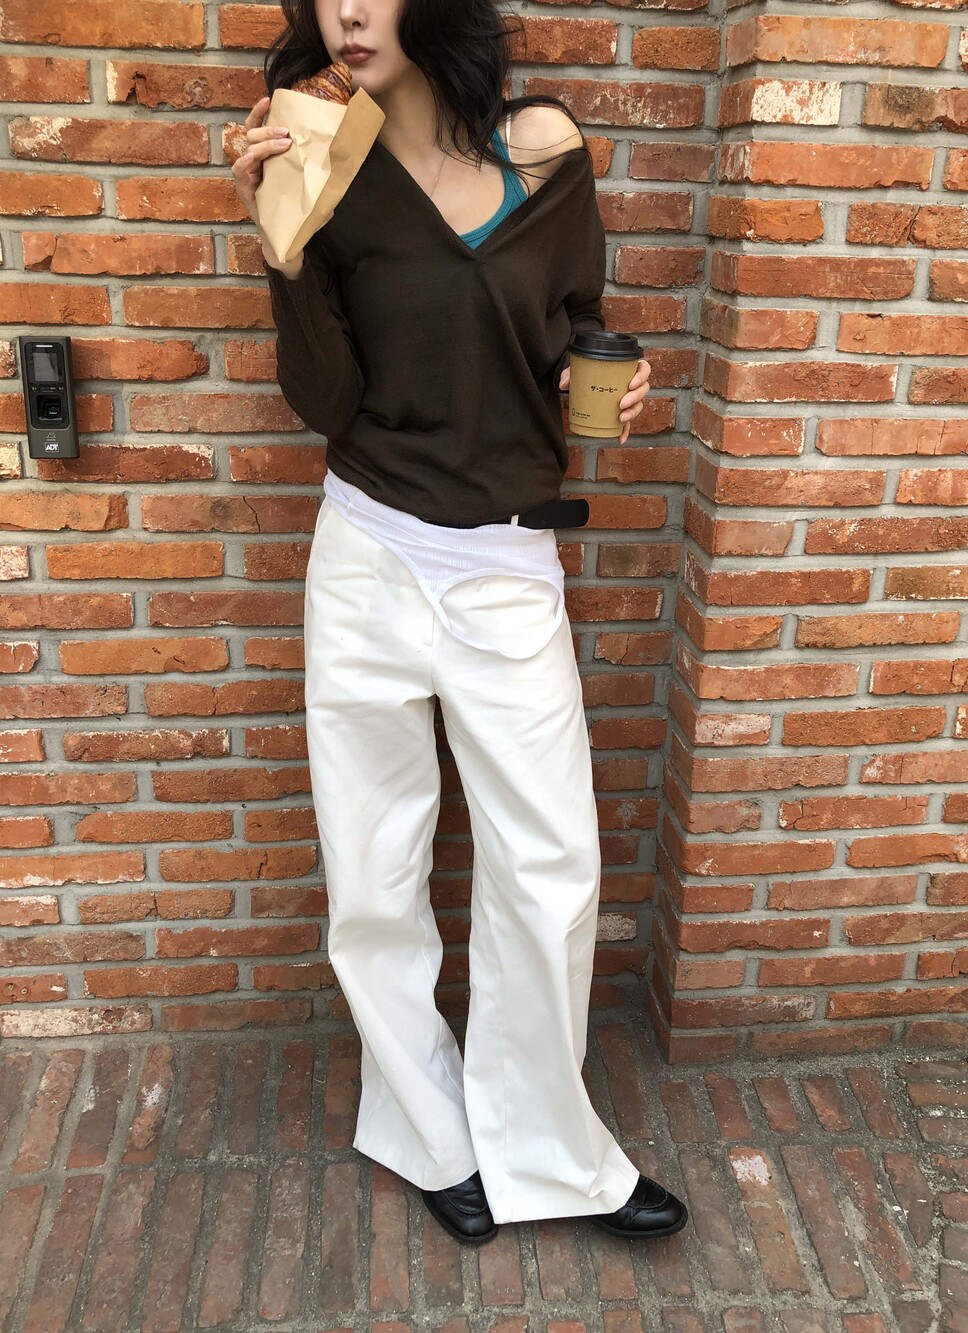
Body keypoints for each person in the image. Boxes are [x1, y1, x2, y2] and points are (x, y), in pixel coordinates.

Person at [231, 0, 689, 1244]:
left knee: (550, 864)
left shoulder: (543, 149)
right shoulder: (322, 158)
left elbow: (570, 319)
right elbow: (325, 400)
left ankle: (550, 1151)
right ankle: (429, 1131)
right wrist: (282, 247)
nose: (349, 11)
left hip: (503, 562)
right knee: (373, 865)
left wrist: (608, 376)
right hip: (368, 550)